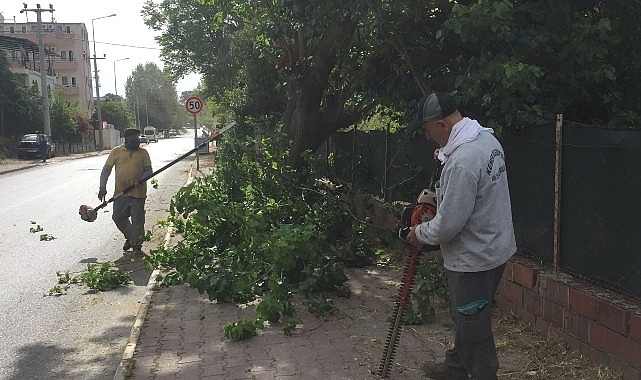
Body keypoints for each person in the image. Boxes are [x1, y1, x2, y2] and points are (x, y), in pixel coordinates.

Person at [406, 92, 517, 380]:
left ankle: (481, 374)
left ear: (442, 125)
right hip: (495, 247)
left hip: (474, 259)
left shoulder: (463, 161)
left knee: (474, 331)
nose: (428, 136)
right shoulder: (485, 141)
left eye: (429, 129)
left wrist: (419, 233)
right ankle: (455, 369)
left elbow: (447, 226)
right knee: (470, 317)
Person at [98, 128, 152, 256]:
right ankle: (131, 238)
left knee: (138, 221)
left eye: (138, 137)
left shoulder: (143, 153)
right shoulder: (116, 152)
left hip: (138, 194)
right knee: (118, 217)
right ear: (126, 138)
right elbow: (106, 171)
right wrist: (102, 188)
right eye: (134, 138)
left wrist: (141, 179)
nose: (137, 140)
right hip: (120, 193)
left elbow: (149, 171)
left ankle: (136, 246)